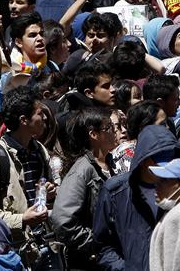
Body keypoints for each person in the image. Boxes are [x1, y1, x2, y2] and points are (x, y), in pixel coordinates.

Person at [92, 124, 180, 271]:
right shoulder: (115, 192)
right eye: (159, 159)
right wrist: (125, 268)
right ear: (143, 159)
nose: (165, 166)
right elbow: (102, 246)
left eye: (171, 159)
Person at [0, 85, 54, 246]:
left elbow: (42, 194)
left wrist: (50, 193)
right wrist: (21, 219)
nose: (45, 118)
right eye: (40, 113)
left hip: (44, 242)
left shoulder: (39, 151)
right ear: (23, 120)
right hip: (12, 248)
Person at [51, 107, 117, 270]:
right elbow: (62, 220)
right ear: (93, 134)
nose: (115, 131)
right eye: (108, 127)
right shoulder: (82, 171)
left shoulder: (110, 163)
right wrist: (95, 242)